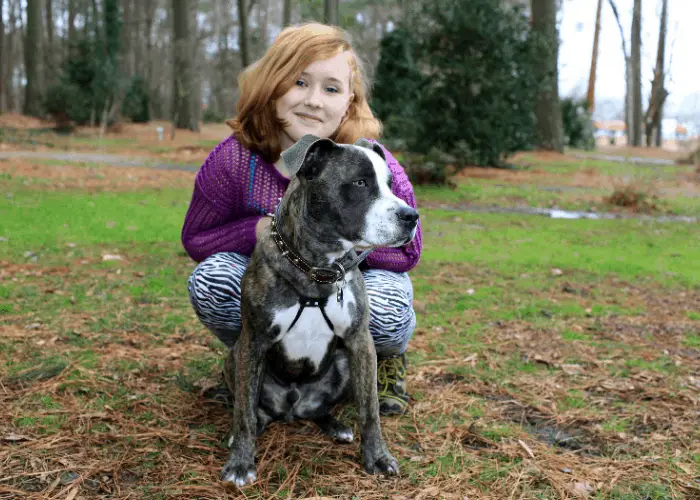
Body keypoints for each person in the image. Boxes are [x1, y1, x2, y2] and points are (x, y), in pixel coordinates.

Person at [182, 22, 422, 416]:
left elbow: (408, 252)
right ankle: (253, 366)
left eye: (331, 88)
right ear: (271, 86)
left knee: (386, 303)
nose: (313, 100)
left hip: (344, 283)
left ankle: (385, 360)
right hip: (274, 282)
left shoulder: (372, 160)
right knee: (213, 279)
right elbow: (196, 240)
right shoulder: (234, 159)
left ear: (349, 101)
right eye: (299, 82)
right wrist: (257, 230)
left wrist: (346, 245)